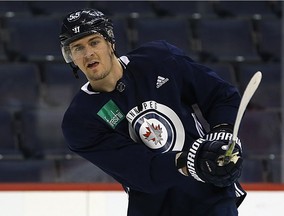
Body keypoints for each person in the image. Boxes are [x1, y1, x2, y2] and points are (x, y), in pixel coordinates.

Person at [59, 8, 246, 216]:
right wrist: (193, 160)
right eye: (77, 48)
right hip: (154, 209)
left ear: (110, 42)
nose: (88, 54)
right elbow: (140, 170)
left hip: (211, 197)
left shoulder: (159, 59)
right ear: (71, 58)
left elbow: (220, 95)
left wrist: (223, 134)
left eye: (94, 42)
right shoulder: (80, 122)